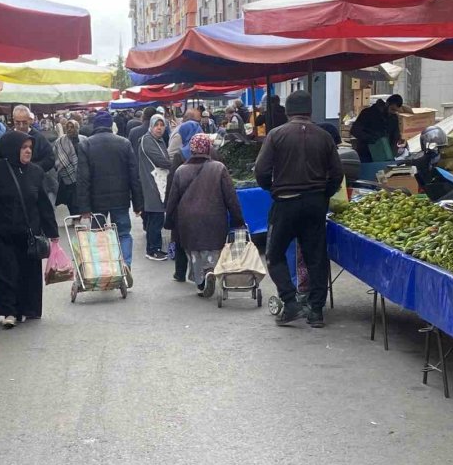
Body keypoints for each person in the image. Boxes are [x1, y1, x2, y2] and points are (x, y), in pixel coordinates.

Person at [254, 90, 344, 328]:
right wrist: (324, 193)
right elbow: (337, 174)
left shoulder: (276, 135)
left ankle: (290, 301)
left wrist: (273, 188)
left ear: (287, 112)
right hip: (315, 203)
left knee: (274, 254)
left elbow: (260, 171)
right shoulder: (324, 136)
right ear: (310, 111)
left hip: (285, 202)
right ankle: (316, 311)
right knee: (316, 256)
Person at [0, 131, 59, 328]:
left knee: (27, 273)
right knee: (4, 272)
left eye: (30, 148)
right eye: (24, 147)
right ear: (12, 148)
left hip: (28, 235)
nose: (28, 151)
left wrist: (53, 234)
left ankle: (26, 308)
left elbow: (43, 204)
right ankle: (9, 311)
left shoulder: (35, 172)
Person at [165, 134, 245, 297]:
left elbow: (172, 199)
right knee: (213, 249)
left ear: (192, 150)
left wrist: (168, 222)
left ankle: (200, 282)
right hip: (214, 217)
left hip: (188, 220)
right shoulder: (219, 168)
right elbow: (231, 197)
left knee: (194, 252)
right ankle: (211, 270)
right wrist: (238, 219)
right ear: (209, 148)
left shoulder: (181, 171)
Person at [75, 110, 142, 272]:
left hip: (97, 202)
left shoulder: (86, 144)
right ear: (110, 125)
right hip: (121, 199)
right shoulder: (124, 143)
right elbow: (134, 175)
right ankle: (125, 264)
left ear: (95, 125)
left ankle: (105, 269)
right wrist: (138, 204)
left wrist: (84, 208)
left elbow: (83, 179)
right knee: (124, 233)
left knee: (99, 235)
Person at [165, 120, 202, 282]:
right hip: (206, 201)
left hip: (183, 203)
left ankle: (180, 272)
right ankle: (201, 272)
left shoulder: (180, 155)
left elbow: (172, 181)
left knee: (180, 238)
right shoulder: (212, 152)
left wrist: (168, 206)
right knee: (202, 240)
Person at [138, 114, 172, 261]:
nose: (159, 128)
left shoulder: (158, 140)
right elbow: (161, 161)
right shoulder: (148, 140)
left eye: (162, 125)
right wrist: (174, 164)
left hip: (157, 182)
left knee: (156, 217)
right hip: (152, 183)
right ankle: (152, 249)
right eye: (156, 125)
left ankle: (155, 247)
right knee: (156, 216)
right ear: (151, 126)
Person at [54, 118, 87, 215]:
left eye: (72, 127)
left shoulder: (84, 139)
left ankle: (81, 215)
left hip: (82, 174)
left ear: (77, 128)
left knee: (80, 196)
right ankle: (74, 216)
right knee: (70, 198)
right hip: (67, 174)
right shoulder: (60, 141)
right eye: (67, 127)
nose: (69, 129)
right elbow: (56, 155)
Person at [351, 98, 399, 162]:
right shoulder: (368, 113)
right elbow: (354, 130)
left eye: (395, 111)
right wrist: (370, 138)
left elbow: (395, 136)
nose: (392, 112)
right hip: (366, 153)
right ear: (387, 104)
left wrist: (393, 151)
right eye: (392, 109)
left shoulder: (393, 117)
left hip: (384, 155)